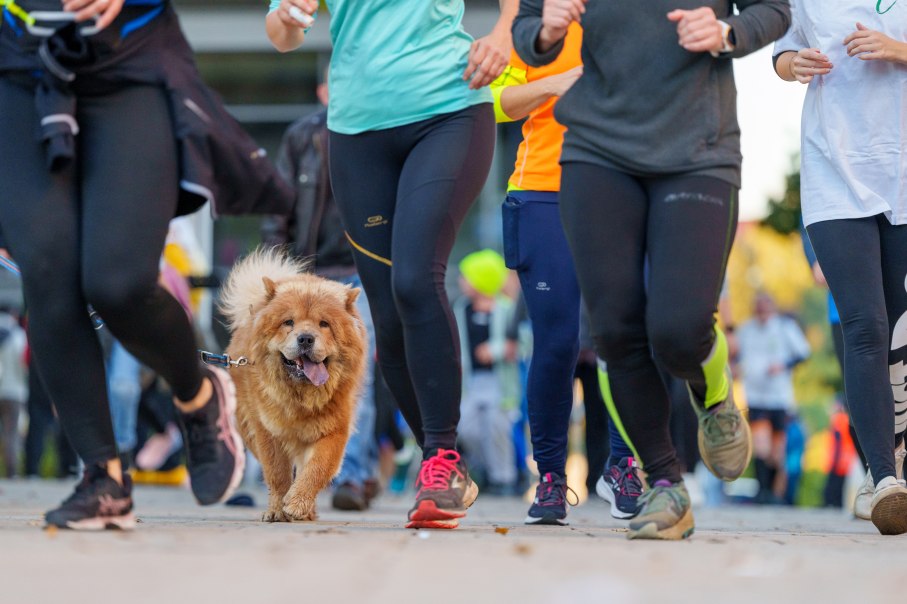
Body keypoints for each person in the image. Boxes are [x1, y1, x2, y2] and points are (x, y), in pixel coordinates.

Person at [0, 0, 293, 529]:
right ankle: (104, 476)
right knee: (47, 275)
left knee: (118, 282)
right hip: (17, 64)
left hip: (127, 57)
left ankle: (198, 395)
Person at [513, 0, 790, 540]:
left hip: (697, 149)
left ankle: (713, 394)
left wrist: (728, 31)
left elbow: (774, 10)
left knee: (679, 327)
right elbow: (525, 31)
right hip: (597, 147)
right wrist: (546, 31)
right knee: (614, 331)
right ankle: (664, 481)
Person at [266, 0, 517, 529]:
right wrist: (287, 20)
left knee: (414, 279)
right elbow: (281, 34)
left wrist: (504, 32)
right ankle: (438, 461)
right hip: (357, 133)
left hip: (447, 107)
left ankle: (441, 457)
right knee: (383, 303)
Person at [490, 30, 642, 525]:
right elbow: (498, 102)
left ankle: (622, 467)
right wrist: (557, 82)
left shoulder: (633, 16)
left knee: (624, 337)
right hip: (543, 189)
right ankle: (551, 478)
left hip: (622, 182)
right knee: (555, 343)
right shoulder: (531, 22)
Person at [773, 1, 907, 535]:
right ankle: (883, 478)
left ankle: (892, 462)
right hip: (834, 170)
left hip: (902, 168)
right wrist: (794, 65)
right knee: (865, 323)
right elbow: (781, 53)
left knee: (900, 328)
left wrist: (896, 49)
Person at [262, 68, 380, 512]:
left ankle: (350, 475)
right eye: (337, 81)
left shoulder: (376, 133)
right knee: (288, 378)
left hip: (359, 276)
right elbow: (278, 206)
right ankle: (299, 477)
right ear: (322, 90)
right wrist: (277, 275)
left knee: (352, 381)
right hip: (306, 275)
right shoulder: (301, 136)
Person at [454, 249, 519, 496]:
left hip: (499, 382)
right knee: (466, 426)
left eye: (467, 276)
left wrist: (496, 349)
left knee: (497, 427)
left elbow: (521, 342)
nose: (462, 281)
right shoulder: (462, 308)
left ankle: (504, 478)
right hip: (471, 382)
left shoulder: (506, 309)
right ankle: (484, 468)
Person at [735, 292, 810, 503]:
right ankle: (762, 489)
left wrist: (783, 365)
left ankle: (774, 492)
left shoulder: (784, 327)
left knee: (777, 447)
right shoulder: (746, 330)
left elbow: (803, 353)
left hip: (779, 396)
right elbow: (736, 354)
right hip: (756, 394)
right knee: (761, 444)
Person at [0, 306, 26, 477]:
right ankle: (12, 471)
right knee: (12, 433)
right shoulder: (18, 335)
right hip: (15, 391)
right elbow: (24, 364)